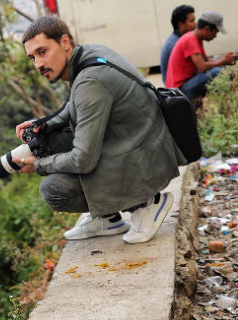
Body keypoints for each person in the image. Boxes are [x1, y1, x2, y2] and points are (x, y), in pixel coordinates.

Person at [14, 16, 184, 243]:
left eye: (42, 52)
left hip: (144, 159)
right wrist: (43, 124)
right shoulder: (89, 53)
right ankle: (108, 218)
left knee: (53, 190)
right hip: (145, 141)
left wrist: (39, 165)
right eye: (32, 58)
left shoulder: (89, 81)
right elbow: (73, 107)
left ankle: (145, 204)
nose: (38, 64)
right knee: (48, 140)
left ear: (64, 42)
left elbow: (83, 160)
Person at [165, 11, 236, 100]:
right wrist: (223, 60)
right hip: (179, 90)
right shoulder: (190, 39)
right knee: (216, 72)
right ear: (207, 29)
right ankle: (220, 98)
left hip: (187, 83)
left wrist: (225, 59)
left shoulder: (196, 38)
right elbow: (202, 66)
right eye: (215, 32)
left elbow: (206, 61)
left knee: (221, 66)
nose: (215, 36)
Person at [160, 5, 196, 84]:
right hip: (175, 88)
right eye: (192, 21)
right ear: (181, 24)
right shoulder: (175, 43)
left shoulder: (181, 39)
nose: (195, 24)